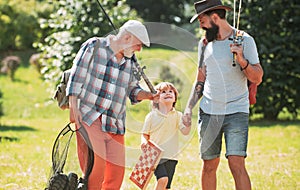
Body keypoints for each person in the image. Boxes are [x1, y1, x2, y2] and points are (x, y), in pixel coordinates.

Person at [66, 20, 159, 190]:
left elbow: (132, 89)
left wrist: (148, 95)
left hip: (115, 123)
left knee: (116, 174)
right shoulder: (94, 46)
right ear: (127, 37)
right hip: (89, 117)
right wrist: (73, 107)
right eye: (139, 45)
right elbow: (76, 76)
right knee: (96, 169)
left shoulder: (130, 61)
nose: (140, 49)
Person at [184, 0, 264, 190]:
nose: (200, 25)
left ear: (214, 17)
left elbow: (258, 77)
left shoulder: (244, 39)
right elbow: (200, 80)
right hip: (209, 112)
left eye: (202, 20)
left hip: (237, 111)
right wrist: (188, 108)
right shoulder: (204, 44)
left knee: (237, 164)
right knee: (209, 165)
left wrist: (242, 59)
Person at [141, 82, 191, 190]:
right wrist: (144, 143)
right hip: (155, 155)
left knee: (166, 186)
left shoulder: (178, 115)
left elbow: (185, 131)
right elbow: (145, 134)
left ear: (175, 98)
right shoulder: (151, 116)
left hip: (172, 156)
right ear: (156, 98)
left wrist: (188, 124)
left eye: (170, 91)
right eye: (163, 92)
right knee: (163, 179)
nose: (168, 93)